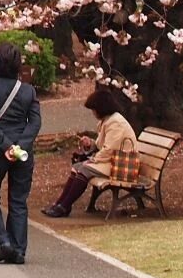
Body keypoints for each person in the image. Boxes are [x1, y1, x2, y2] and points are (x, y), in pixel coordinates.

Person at [0, 42, 41, 264]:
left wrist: (5, 147)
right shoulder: (28, 90)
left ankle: (3, 242)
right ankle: (18, 248)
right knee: (18, 199)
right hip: (23, 152)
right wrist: (20, 146)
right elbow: (35, 122)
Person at [40, 87, 136, 219]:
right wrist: (90, 143)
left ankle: (64, 206)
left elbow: (109, 149)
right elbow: (101, 145)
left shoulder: (116, 123)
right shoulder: (107, 121)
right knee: (77, 167)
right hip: (113, 161)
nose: (93, 113)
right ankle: (60, 204)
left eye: (94, 109)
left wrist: (92, 159)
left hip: (121, 165)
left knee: (85, 168)